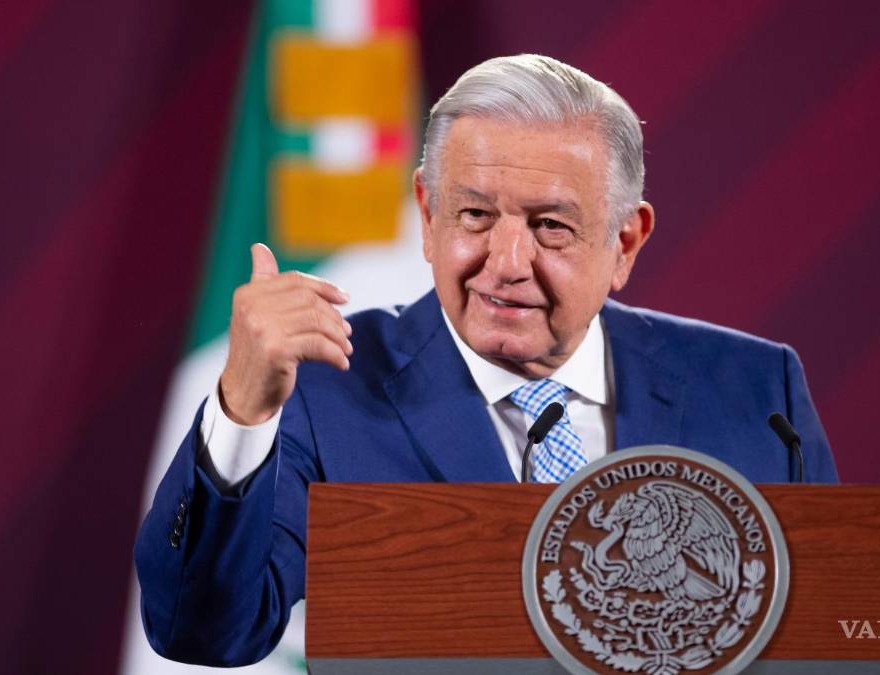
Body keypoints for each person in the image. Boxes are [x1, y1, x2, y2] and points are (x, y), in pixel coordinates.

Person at [134, 54, 838, 666]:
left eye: (550, 226)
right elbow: (204, 630)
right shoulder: (325, 390)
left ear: (625, 242)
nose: (506, 263)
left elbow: (832, 638)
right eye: (475, 216)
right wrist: (243, 411)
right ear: (428, 215)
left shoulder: (758, 394)